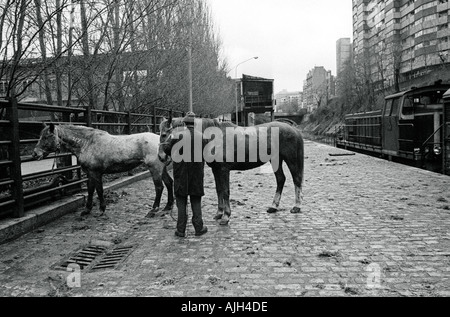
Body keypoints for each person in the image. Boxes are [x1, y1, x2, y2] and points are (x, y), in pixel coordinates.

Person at [163, 112, 208, 238]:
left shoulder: (177, 136)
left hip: (181, 172)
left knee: (181, 200)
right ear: (194, 124)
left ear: (184, 123)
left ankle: (181, 229)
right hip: (196, 173)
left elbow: (167, 149)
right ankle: (198, 227)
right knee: (196, 199)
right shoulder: (203, 136)